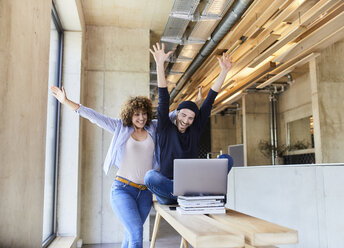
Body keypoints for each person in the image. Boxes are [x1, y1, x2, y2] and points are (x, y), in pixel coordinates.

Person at [50, 86, 157, 248]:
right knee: (136, 233)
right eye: (136, 114)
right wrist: (67, 102)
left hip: (145, 193)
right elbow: (94, 116)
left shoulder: (153, 128)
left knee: (130, 234)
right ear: (130, 115)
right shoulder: (120, 127)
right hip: (123, 189)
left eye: (144, 113)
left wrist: (192, 107)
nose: (141, 118)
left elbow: (173, 117)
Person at [145, 42, 234, 205]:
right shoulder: (165, 128)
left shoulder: (194, 130)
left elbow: (210, 100)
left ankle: (193, 194)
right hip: (167, 190)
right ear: (177, 113)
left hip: (191, 185)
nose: (186, 121)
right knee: (150, 177)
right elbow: (163, 97)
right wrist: (159, 65)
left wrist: (224, 71)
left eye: (191, 118)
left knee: (227, 159)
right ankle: (197, 195)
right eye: (183, 115)